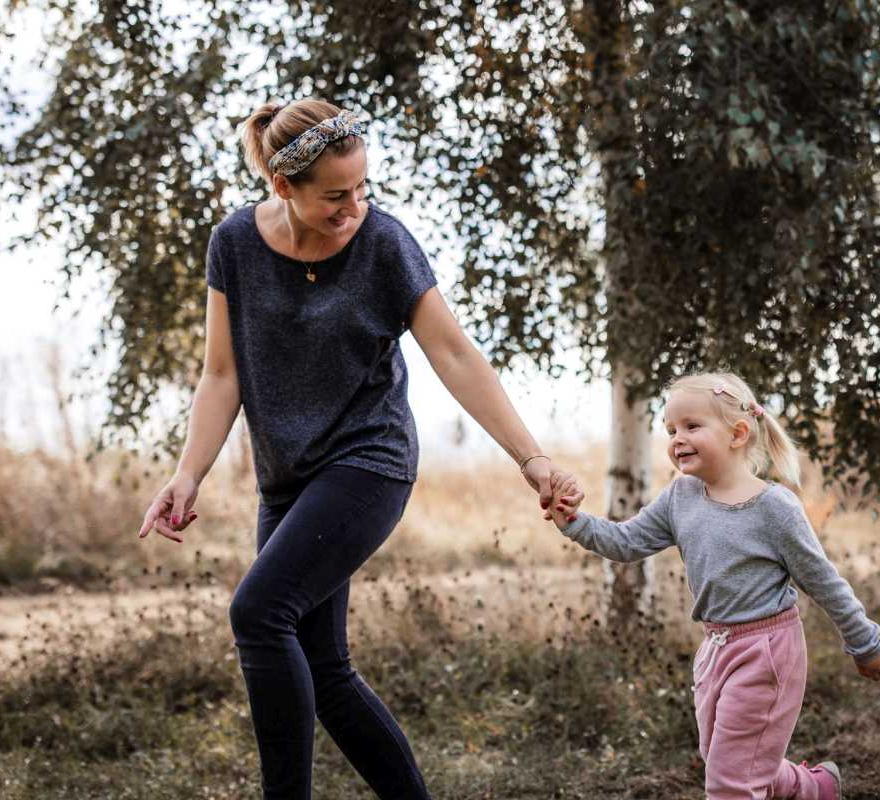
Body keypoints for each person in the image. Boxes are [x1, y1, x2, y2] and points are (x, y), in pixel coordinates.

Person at [136, 98, 564, 800]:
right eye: (335, 196)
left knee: (258, 613)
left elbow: (454, 354)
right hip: (287, 478)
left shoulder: (385, 245)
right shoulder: (235, 244)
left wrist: (532, 458)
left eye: (362, 188)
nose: (354, 207)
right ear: (283, 188)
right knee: (323, 666)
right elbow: (221, 375)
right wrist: (190, 474)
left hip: (369, 460)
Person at [547, 372, 880, 800]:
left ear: (738, 433)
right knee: (728, 758)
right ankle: (814, 789)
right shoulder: (681, 497)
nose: (677, 439)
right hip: (714, 647)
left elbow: (824, 582)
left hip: (767, 652)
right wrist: (575, 523)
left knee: (730, 782)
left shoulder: (774, 509)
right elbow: (627, 541)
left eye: (692, 426)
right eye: (671, 429)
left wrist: (865, 643)